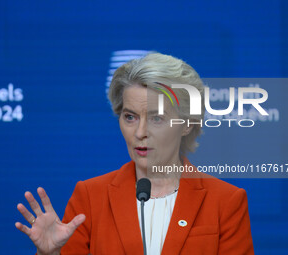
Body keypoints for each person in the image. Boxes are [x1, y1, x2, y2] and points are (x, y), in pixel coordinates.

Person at [16, 53, 254, 255]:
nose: (140, 132)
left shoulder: (226, 201)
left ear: (187, 124)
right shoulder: (89, 197)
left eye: (156, 118)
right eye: (130, 117)